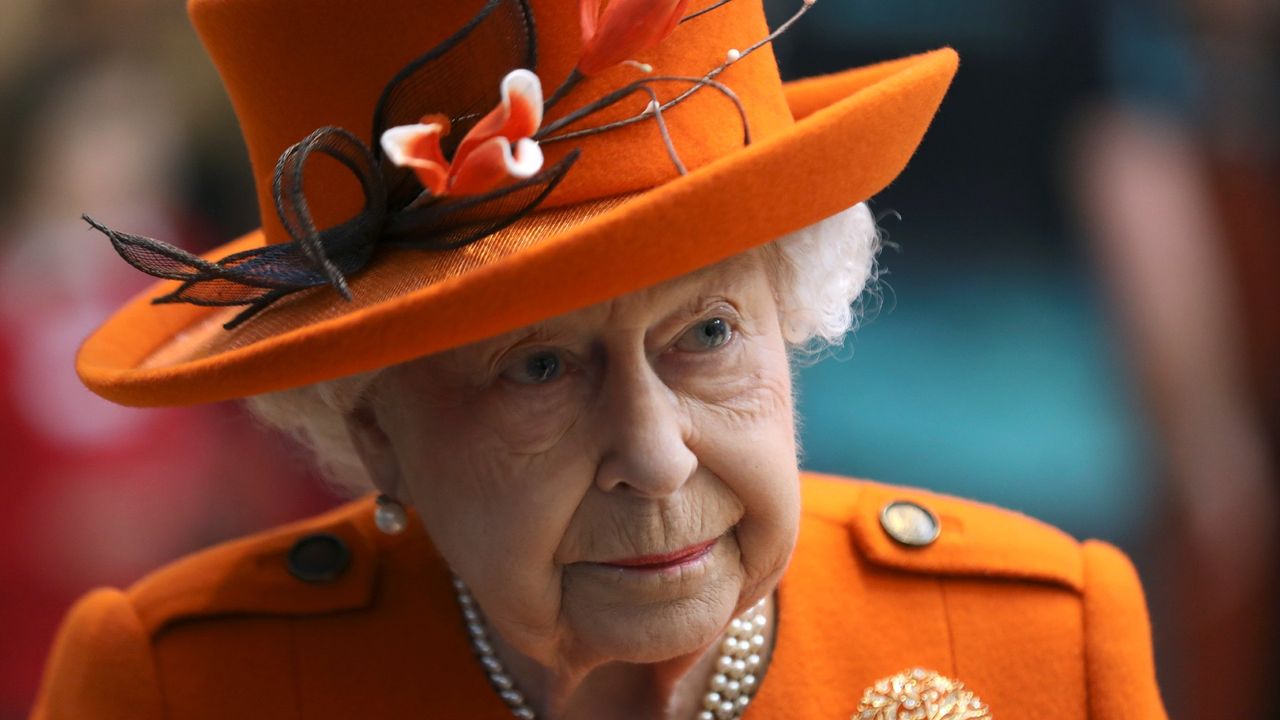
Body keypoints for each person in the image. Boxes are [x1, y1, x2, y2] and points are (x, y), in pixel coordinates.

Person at [30, 0, 1167, 718]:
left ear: (791, 314)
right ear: (373, 429)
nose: (655, 457)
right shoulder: (184, 689)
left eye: (708, 333)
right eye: (538, 368)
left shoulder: (1037, 648)